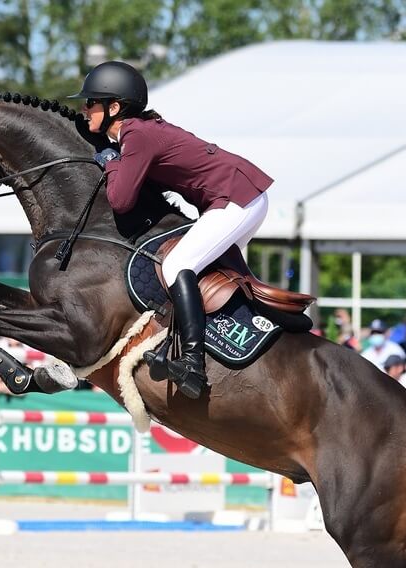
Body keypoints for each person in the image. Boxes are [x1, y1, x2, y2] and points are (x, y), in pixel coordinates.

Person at [70, 61, 272, 398]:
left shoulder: (135, 134)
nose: (84, 109)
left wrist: (109, 160)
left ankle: (193, 362)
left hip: (238, 197)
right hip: (237, 196)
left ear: (114, 107)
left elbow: (120, 200)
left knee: (178, 264)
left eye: (91, 102)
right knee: (206, 272)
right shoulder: (137, 132)